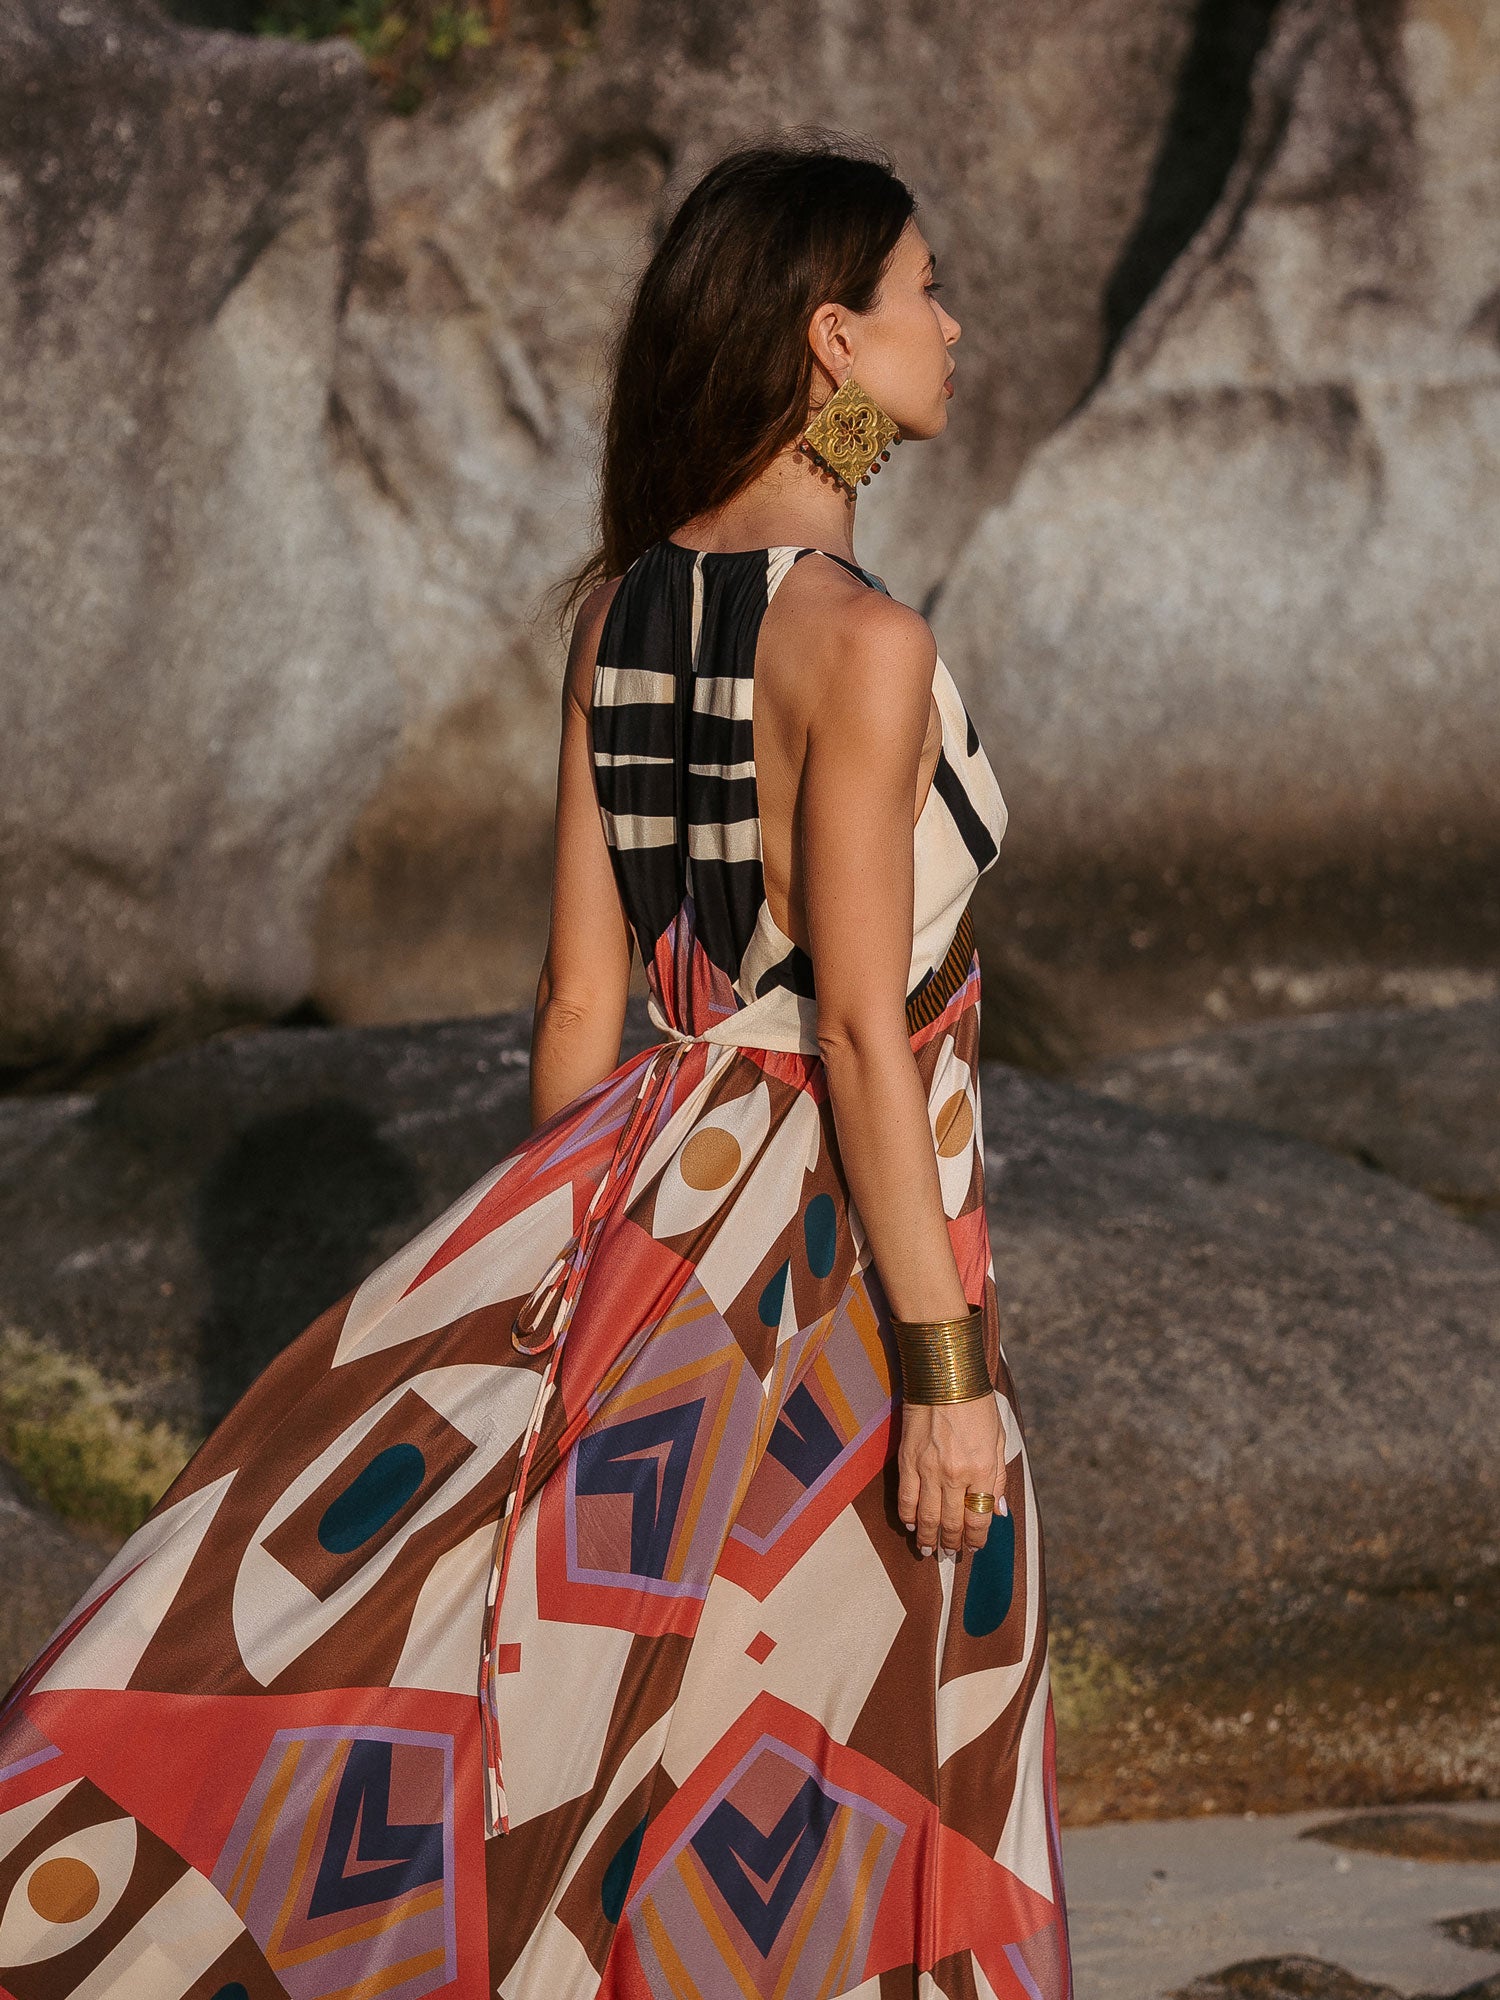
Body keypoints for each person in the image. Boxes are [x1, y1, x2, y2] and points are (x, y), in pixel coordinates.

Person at [0, 133, 1072, 2000]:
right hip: (818, 1241)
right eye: (923, 292)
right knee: (866, 1709)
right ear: (833, 342)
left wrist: (559, 1304)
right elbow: (851, 1028)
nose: (952, 325)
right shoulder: (864, 640)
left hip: (645, 1200)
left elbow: (579, 1008)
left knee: (614, 1702)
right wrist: (947, 1370)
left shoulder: (620, 610)